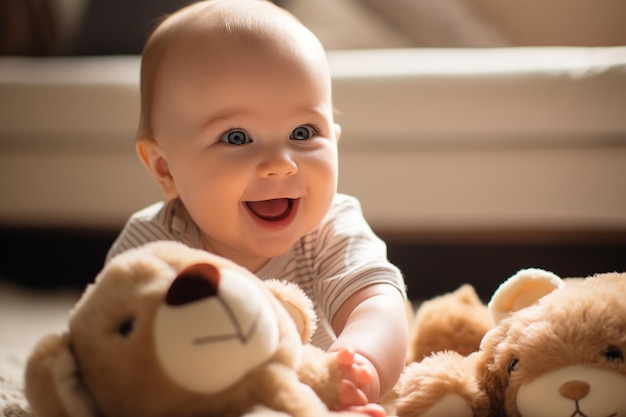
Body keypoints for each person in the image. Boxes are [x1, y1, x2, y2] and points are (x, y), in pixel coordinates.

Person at [106, 0, 409, 414]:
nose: (280, 164)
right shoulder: (155, 245)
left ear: (334, 140)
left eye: (303, 132)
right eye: (236, 138)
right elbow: (113, 337)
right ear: (165, 167)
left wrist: (359, 368)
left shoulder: (331, 227)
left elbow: (377, 305)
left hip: (309, 394)